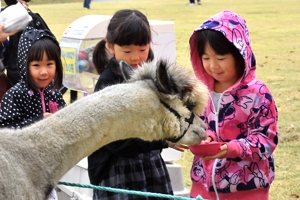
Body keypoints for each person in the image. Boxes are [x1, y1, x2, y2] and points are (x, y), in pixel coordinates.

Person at [88, 9, 186, 199]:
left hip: (149, 163)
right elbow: (117, 142)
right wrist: (163, 140)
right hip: (118, 168)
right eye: (127, 51)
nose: (135, 57)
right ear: (110, 46)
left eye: (142, 49)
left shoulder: (151, 73)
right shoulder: (108, 85)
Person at [188, 10, 278, 200]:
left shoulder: (258, 93)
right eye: (206, 58)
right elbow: (198, 124)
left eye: (220, 58)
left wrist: (230, 149)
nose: (213, 66)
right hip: (204, 186)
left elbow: (266, 141)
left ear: (239, 54)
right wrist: (207, 138)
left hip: (246, 190)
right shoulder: (201, 91)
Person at [0, 27, 66, 200]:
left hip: (47, 172)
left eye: (49, 64)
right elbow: (5, 130)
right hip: (19, 172)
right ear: (24, 64)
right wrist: (38, 121)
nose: (44, 71)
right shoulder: (15, 95)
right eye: (36, 65)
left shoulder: (55, 93)